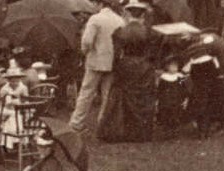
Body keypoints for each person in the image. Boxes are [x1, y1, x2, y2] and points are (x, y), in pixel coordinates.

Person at [97, 1, 156, 143]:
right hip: (143, 66)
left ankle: (121, 130)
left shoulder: (119, 32)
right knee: (142, 98)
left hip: (125, 65)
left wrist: (116, 67)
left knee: (122, 98)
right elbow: (153, 54)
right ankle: (141, 132)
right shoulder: (149, 32)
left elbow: (116, 54)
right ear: (142, 15)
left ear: (128, 14)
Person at [68, 0, 124, 133]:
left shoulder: (95, 19)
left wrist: (85, 52)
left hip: (95, 60)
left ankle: (76, 123)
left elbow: (87, 41)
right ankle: (102, 123)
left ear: (100, 4)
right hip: (112, 62)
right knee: (107, 94)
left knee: (86, 92)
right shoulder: (120, 20)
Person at [156, 55, 188, 131]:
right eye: (172, 66)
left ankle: (174, 125)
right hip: (166, 98)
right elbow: (160, 89)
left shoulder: (180, 77)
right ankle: (166, 125)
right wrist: (158, 98)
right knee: (166, 111)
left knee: (176, 111)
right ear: (167, 67)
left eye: (176, 65)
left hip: (177, 98)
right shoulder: (163, 77)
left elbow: (183, 87)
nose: (174, 67)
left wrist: (185, 96)